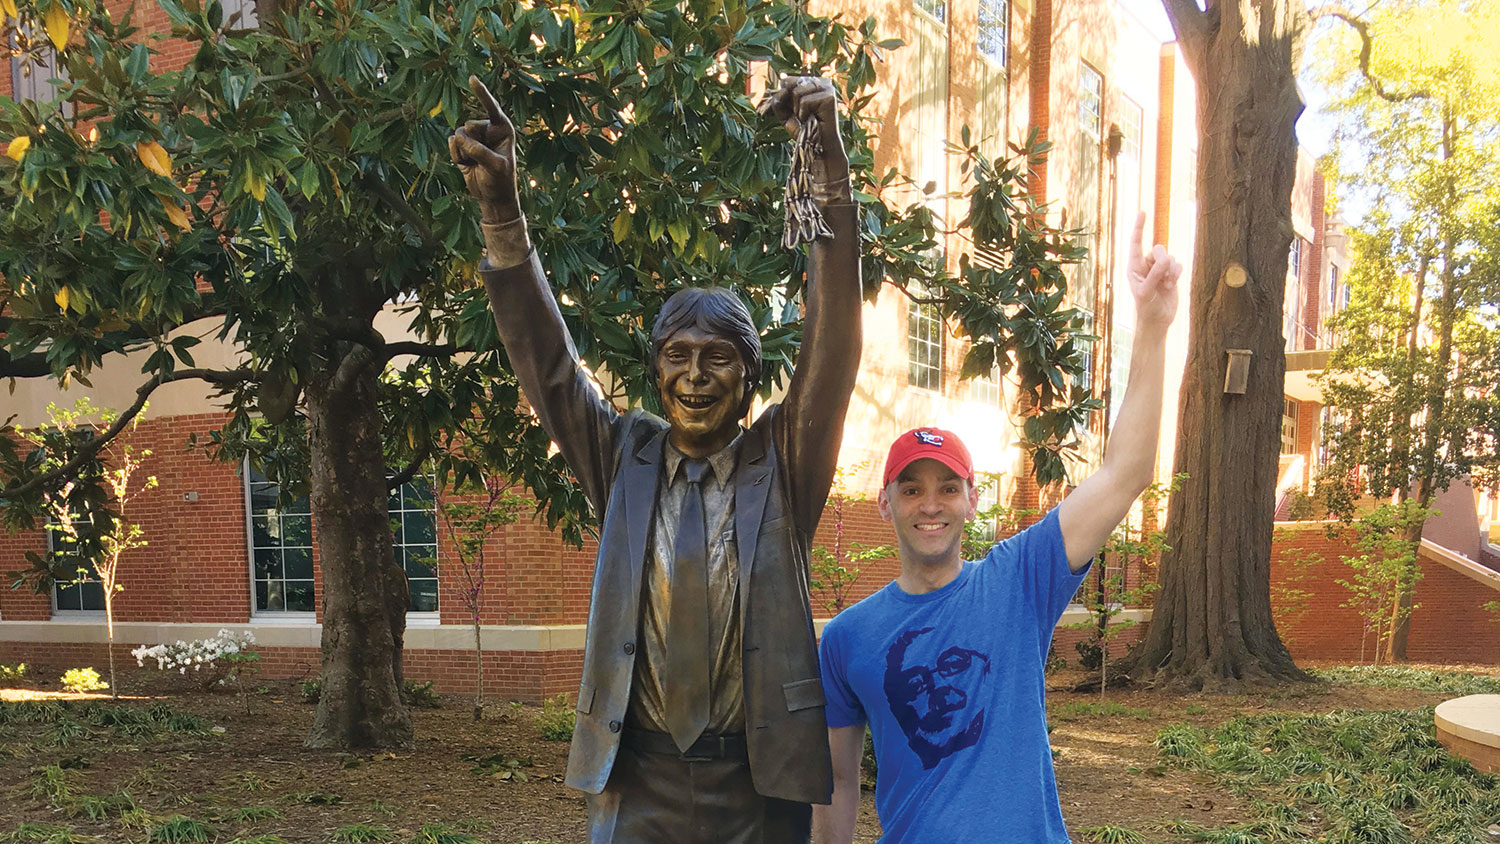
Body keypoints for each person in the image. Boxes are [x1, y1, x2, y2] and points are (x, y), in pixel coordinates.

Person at [449, 75, 860, 844]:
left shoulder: (784, 461)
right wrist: (502, 215)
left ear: (750, 379)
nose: (696, 376)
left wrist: (827, 163)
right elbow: (548, 365)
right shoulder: (622, 456)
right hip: (637, 779)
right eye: (677, 356)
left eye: (718, 359)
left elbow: (832, 344)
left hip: (758, 781)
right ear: (654, 371)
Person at [812, 215, 1181, 844]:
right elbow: (836, 782)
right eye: (912, 489)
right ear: (885, 504)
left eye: (947, 488)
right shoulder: (847, 639)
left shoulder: (1019, 580)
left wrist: (1152, 327)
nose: (931, 505)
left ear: (972, 500)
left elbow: (1126, 474)